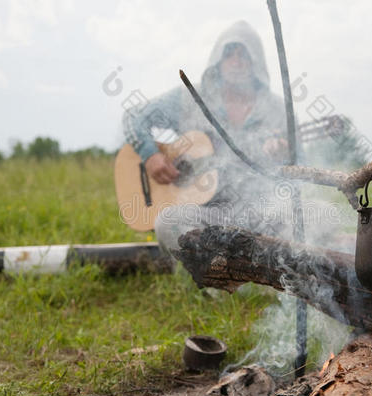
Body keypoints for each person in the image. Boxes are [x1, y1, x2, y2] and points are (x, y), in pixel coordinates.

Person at [123, 20, 293, 254]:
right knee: (168, 222)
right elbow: (135, 116)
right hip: (204, 213)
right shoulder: (190, 97)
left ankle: (258, 274)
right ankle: (209, 279)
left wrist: (283, 156)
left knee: (315, 215)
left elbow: (300, 170)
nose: (237, 62)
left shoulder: (276, 108)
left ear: (256, 63)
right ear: (218, 60)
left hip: (260, 212)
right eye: (229, 54)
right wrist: (151, 155)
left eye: (244, 55)